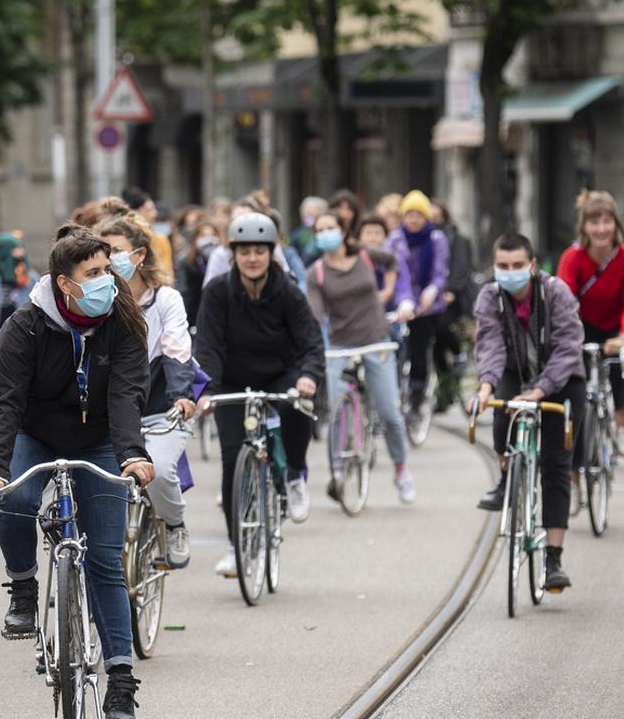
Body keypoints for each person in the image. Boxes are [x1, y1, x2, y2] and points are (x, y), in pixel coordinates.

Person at [0, 225, 155, 719]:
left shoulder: (123, 321)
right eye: (93, 274)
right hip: (36, 434)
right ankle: (24, 588)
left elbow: (126, 396)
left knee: (105, 563)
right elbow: (3, 401)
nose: (107, 281)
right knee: (16, 498)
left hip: (97, 439)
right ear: (64, 284)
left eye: (109, 270)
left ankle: (120, 685)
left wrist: (133, 456)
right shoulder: (24, 326)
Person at [194, 212, 325, 574]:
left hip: (280, 375)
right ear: (233, 254)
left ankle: (296, 473)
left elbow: (311, 343)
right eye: (245, 251)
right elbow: (207, 346)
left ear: (271, 253)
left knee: (298, 408)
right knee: (232, 457)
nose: (252, 258)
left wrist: (308, 378)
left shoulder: (288, 292)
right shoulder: (217, 292)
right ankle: (237, 547)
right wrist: (205, 389)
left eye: (260, 251)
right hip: (232, 381)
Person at [472, 232, 584, 591]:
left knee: (555, 463)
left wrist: (538, 392)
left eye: (517, 266)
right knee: (500, 416)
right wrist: (485, 387)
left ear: (532, 265)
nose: (510, 273)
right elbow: (489, 344)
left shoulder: (556, 292)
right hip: (512, 371)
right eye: (502, 267)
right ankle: (508, 479)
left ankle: (553, 559)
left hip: (562, 380)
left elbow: (569, 348)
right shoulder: (489, 296)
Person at [97, 213, 196, 567]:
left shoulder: (166, 299)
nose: (109, 261)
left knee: (160, 469)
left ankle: (174, 525)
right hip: (108, 413)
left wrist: (181, 396)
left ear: (139, 255)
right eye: (103, 253)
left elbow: (177, 350)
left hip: (160, 408)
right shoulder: (98, 300)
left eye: (117, 251)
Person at [305, 211, 414, 504]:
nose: (325, 234)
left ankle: (401, 469)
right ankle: (337, 472)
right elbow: (315, 316)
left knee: (390, 411)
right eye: (319, 230)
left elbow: (392, 262)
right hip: (340, 345)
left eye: (330, 228)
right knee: (337, 409)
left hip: (376, 340)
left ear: (343, 232)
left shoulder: (365, 254)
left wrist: (388, 290)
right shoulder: (315, 273)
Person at [556, 191, 624, 457]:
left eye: (607, 222)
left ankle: (622, 429)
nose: (601, 229)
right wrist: (569, 337)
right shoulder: (572, 257)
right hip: (580, 325)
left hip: (618, 327)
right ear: (584, 226)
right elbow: (563, 299)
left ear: (616, 225)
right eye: (594, 222)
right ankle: (574, 428)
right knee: (571, 373)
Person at [385, 190, 450, 425]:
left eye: (418, 215)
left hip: (427, 307)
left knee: (419, 348)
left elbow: (440, 272)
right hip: (400, 303)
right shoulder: (394, 239)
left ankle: (416, 394)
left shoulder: (437, 239)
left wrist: (432, 292)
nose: (413, 220)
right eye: (409, 215)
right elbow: (389, 268)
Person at [429, 199, 477, 414]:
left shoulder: (458, 239)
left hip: (453, 300)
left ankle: (459, 355)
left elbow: (461, 269)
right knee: (436, 346)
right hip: (433, 300)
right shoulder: (427, 239)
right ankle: (445, 392)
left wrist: (451, 292)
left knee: (444, 331)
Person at [176, 219, 222, 328]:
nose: (208, 239)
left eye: (212, 235)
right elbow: (185, 291)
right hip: (194, 315)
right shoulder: (186, 262)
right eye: (203, 235)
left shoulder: (222, 261)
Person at [122, 187, 174, 283]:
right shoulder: (120, 238)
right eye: (150, 209)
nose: (155, 214)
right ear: (138, 211)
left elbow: (168, 275)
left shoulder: (159, 239)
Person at [291, 195, 329, 266]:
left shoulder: (325, 233)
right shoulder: (298, 233)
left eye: (314, 214)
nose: (310, 217)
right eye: (307, 213)